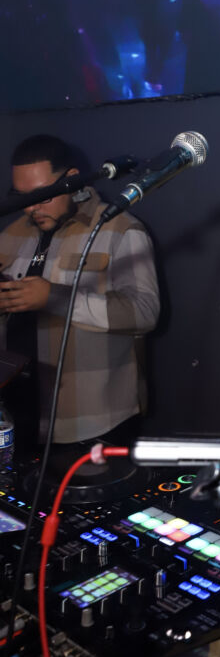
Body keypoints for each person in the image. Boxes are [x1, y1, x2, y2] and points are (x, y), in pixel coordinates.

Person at [0, 134, 160, 455]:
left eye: (42, 195)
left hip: (91, 423)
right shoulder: (11, 234)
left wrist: (54, 298)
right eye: (22, 197)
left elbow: (145, 312)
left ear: (72, 180)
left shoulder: (120, 230)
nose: (31, 207)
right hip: (18, 417)